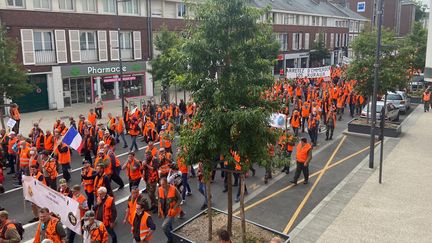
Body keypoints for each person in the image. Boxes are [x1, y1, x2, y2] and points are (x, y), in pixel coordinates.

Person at [158, 177, 182, 243]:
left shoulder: (174, 189)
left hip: (171, 212)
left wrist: (174, 208)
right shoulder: (159, 189)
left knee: (164, 227)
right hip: (164, 211)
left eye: (163, 184)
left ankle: (170, 239)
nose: (162, 186)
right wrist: (159, 211)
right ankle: (174, 237)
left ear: (167, 183)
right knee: (169, 226)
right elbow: (159, 200)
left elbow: (180, 198)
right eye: (161, 184)